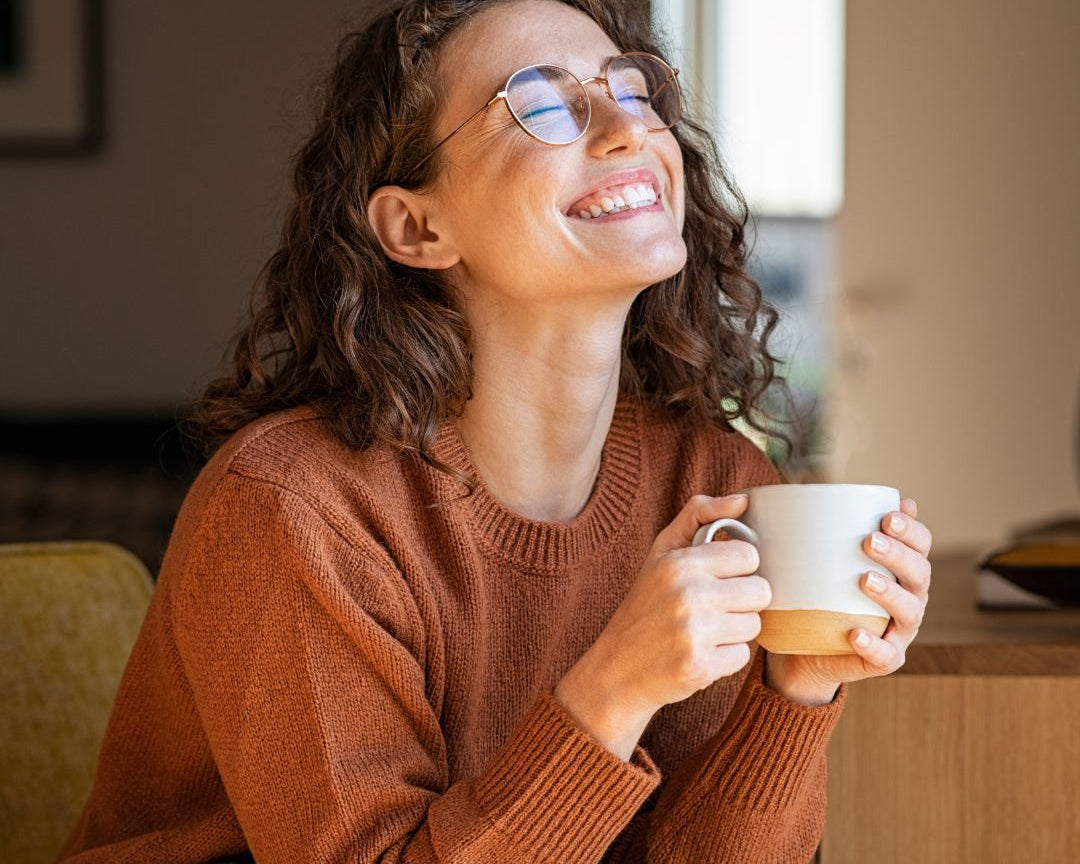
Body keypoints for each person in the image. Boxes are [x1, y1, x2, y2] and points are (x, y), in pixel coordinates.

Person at [57, 1, 933, 862]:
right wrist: (611, 689)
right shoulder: (294, 511)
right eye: (543, 104)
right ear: (418, 226)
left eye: (630, 89)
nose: (627, 130)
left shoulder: (712, 477)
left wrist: (796, 690)